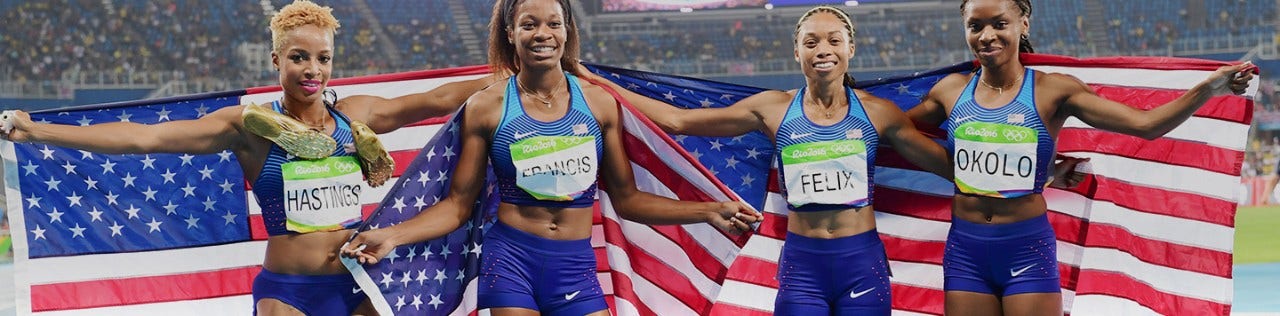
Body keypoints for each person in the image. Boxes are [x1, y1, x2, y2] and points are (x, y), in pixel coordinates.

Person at [0, 1, 503, 315]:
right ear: (276, 60)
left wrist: (528, 73)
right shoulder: (247, 127)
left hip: (359, 286)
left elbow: (442, 100)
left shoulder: (356, 116)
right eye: (299, 57)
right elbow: (144, 139)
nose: (313, 69)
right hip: (289, 293)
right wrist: (36, 129)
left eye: (323, 58)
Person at [339, 0, 762, 315]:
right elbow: (456, 206)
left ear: (567, 31)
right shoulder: (487, 106)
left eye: (553, 23)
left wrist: (708, 210)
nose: (542, 33)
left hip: (575, 266)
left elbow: (629, 200)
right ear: (510, 34)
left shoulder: (598, 104)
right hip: (510, 260)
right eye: (529, 24)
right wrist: (391, 236)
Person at [585, 6, 955, 315]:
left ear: (850, 48)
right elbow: (676, 121)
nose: (822, 49)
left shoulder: (880, 114)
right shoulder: (773, 110)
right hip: (802, 267)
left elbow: (952, 168)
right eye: (811, 42)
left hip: (861, 264)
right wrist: (596, 82)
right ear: (797, 52)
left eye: (833, 40)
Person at [905, 0, 1254, 315]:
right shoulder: (950, 91)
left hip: (1026, 249)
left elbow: (1145, 125)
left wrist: (1207, 89)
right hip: (965, 251)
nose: (987, 36)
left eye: (999, 23)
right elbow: (888, 133)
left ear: (1023, 24)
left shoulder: (1053, 90)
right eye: (975, 26)